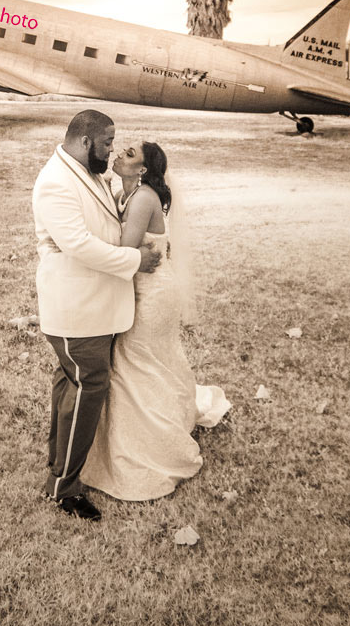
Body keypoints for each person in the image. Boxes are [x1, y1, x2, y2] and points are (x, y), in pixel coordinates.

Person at [80, 140, 231, 501]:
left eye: (129, 154)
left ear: (143, 170)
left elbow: (125, 250)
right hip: (134, 287)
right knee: (140, 362)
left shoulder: (145, 197)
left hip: (153, 295)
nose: (119, 154)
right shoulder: (122, 193)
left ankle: (156, 448)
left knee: (140, 362)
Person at [33, 110, 161, 522]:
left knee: (70, 386)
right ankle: (64, 487)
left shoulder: (88, 173)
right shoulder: (55, 182)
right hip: (76, 309)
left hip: (95, 306)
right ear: (87, 142)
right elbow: (80, 246)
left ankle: (61, 462)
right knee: (88, 388)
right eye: (107, 144)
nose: (111, 151)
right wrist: (134, 259)